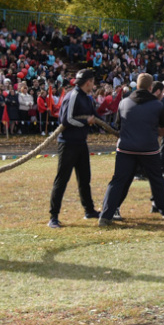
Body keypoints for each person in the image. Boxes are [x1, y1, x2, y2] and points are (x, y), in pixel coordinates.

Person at [99, 73, 164, 224]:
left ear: (137, 86)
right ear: (151, 87)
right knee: (156, 179)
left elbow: (119, 125)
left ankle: (106, 215)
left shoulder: (124, 103)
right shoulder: (157, 105)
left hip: (126, 148)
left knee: (118, 181)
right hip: (148, 148)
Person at [47, 69, 101, 229]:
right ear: (88, 82)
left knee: (85, 179)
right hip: (68, 144)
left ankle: (89, 210)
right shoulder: (73, 96)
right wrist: (86, 123)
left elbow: (94, 117)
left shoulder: (87, 98)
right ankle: (53, 216)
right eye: (93, 81)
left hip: (81, 143)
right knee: (62, 180)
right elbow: (66, 120)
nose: (94, 84)